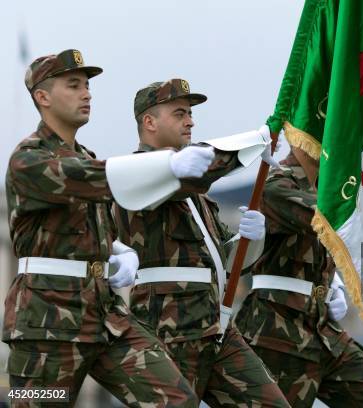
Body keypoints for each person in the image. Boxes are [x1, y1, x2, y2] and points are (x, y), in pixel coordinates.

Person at [2, 49, 221, 407]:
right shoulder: (29, 158)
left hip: (105, 317)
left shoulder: (87, 156)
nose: (86, 93)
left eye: (87, 86)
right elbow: (86, 179)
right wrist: (167, 166)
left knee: (176, 400)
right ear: (42, 97)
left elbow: (96, 210)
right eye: (73, 85)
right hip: (49, 321)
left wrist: (117, 251)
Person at [112, 78, 290, 407]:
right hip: (169, 329)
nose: (191, 121)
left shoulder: (196, 193)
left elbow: (225, 260)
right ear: (149, 122)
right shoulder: (138, 175)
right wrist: (254, 142)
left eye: (191, 113)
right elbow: (195, 171)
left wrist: (250, 239)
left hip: (216, 325)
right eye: (180, 113)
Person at [235, 146, 363, 407]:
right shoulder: (278, 184)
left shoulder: (328, 187)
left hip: (324, 329)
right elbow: (325, 220)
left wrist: (332, 286)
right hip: (278, 330)